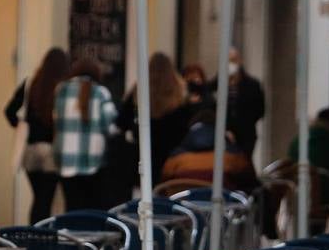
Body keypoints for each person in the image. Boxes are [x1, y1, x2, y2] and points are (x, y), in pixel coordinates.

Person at [4, 48, 69, 222]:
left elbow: (9, 111)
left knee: (38, 198)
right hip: (52, 150)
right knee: (47, 199)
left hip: (30, 150)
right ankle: (43, 238)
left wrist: (22, 125)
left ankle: (34, 235)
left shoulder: (30, 84)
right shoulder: (64, 88)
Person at [114, 52, 194, 190]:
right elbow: (187, 125)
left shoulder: (138, 91)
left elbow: (121, 122)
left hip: (142, 154)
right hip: (172, 157)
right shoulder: (181, 93)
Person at [53, 59, 118, 210]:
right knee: (90, 207)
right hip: (92, 160)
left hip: (65, 159)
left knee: (71, 206)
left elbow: (55, 119)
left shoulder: (61, 90)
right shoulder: (100, 92)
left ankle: (71, 233)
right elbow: (110, 125)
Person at [160, 107, 259, 193]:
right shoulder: (231, 157)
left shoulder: (176, 158)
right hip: (224, 209)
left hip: (184, 210)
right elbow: (249, 181)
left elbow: (164, 182)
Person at [210, 47, 265, 160]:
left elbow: (260, 109)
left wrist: (244, 123)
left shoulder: (252, 85)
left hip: (246, 135)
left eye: (233, 60)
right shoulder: (217, 84)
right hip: (223, 134)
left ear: (240, 61)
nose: (231, 64)